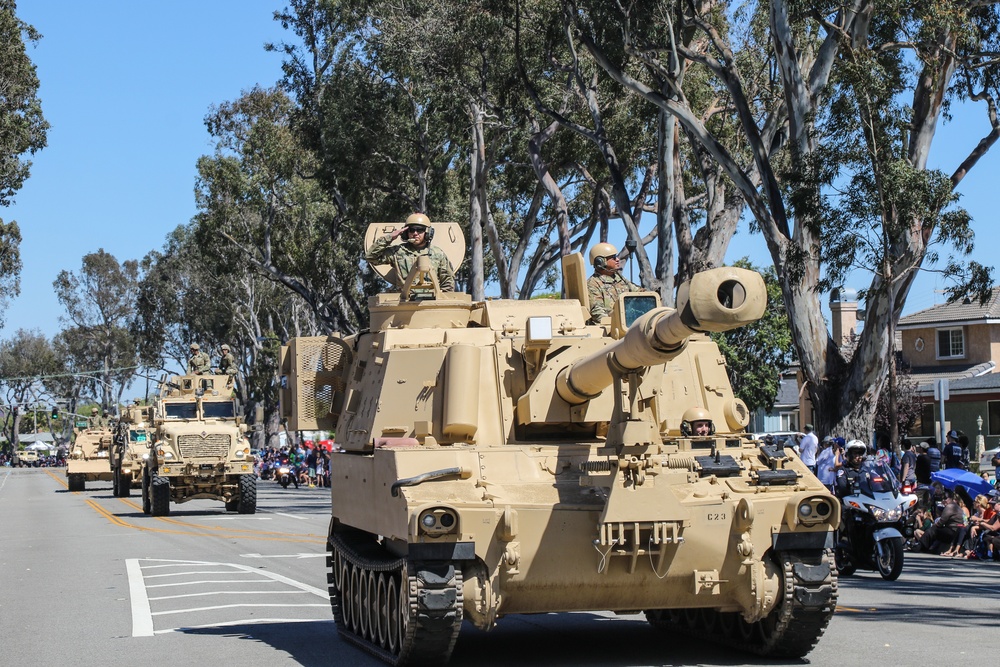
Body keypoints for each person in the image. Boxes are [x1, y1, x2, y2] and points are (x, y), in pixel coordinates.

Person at [365, 213, 455, 293]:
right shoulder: (398, 252)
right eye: (411, 230)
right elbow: (371, 257)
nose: (415, 233)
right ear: (406, 233)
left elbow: (447, 281)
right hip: (404, 302)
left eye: (419, 230)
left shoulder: (438, 254)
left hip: (430, 302)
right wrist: (389, 237)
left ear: (428, 232)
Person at [585, 242, 641, 323]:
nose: (617, 259)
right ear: (600, 262)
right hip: (610, 328)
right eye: (613, 257)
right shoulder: (592, 284)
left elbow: (638, 292)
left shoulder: (619, 278)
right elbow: (597, 312)